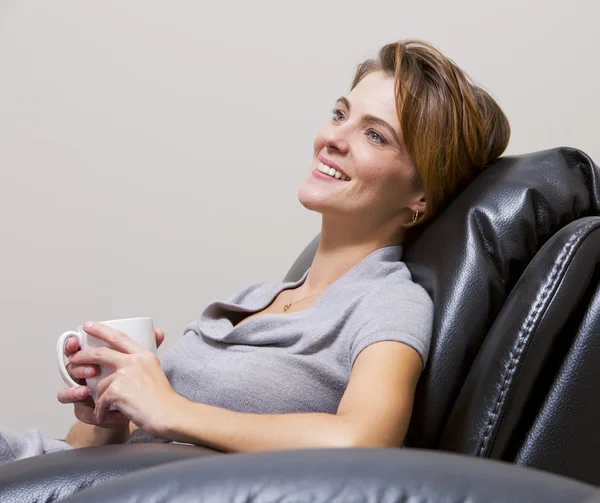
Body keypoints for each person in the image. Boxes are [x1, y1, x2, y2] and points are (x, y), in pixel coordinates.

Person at [0, 38, 510, 464]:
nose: (333, 138)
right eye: (340, 114)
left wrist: (169, 407)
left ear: (421, 196)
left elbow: (363, 440)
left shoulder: (389, 303)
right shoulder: (259, 297)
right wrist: (110, 419)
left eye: (375, 135)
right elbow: (75, 462)